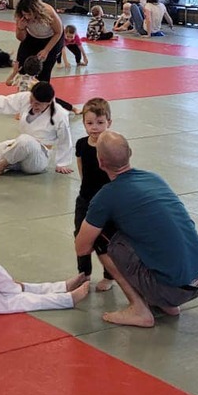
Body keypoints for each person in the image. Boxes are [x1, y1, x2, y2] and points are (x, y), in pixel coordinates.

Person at [74, 132, 198, 326]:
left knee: (100, 235)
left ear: (100, 162)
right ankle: (166, 304)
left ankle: (139, 308)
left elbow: (82, 248)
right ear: (130, 153)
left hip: (171, 289)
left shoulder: (105, 197)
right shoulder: (154, 178)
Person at [0, 195, 90, 313]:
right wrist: (12, 287)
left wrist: (12, 285)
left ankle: (62, 286)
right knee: (20, 299)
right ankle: (67, 299)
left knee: (22, 287)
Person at [0, 81, 76, 174]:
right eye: (32, 100)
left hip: (37, 160)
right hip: (19, 148)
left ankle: (2, 165)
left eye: (38, 104)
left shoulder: (60, 114)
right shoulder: (25, 98)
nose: (33, 105)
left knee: (25, 140)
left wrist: (62, 163)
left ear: (49, 103)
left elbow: (65, 139)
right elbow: (5, 102)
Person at [73, 98, 117, 289]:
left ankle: (109, 275)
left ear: (109, 122)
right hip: (85, 199)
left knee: (107, 238)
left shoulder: (112, 146)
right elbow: (81, 165)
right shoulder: (82, 144)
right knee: (80, 235)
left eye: (100, 122)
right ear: (83, 123)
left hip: (108, 202)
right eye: (89, 123)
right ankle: (84, 274)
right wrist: (85, 187)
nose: (95, 127)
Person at [13, 0, 65, 81]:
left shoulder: (48, 12)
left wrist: (46, 50)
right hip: (32, 37)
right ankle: (24, 87)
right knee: (22, 67)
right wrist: (20, 28)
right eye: (25, 14)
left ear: (36, 11)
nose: (27, 17)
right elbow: (21, 39)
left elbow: (58, 32)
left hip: (52, 37)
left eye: (29, 14)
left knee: (43, 69)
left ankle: (42, 87)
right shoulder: (21, 16)